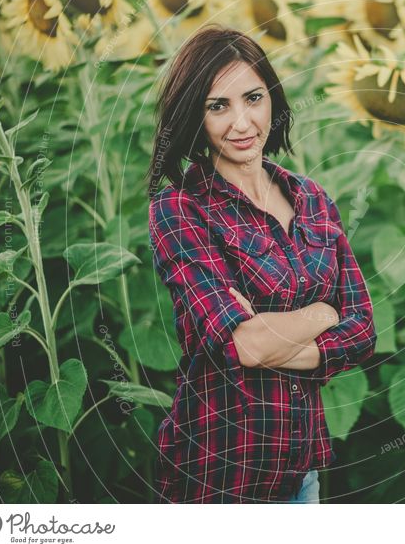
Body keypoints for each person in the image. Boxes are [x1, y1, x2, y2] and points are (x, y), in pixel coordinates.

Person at [145, 26, 376, 503]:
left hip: (301, 472)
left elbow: (363, 328)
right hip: (220, 476)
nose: (242, 122)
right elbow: (245, 345)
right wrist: (322, 314)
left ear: (272, 99)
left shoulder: (311, 200)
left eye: (253, 98)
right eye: (218, 106)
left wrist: (274, 332)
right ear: (194, 116)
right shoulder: (180, 211)